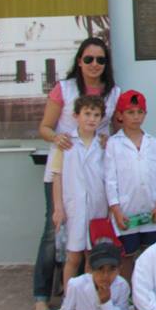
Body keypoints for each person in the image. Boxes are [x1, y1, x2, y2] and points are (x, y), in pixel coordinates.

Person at [34, 37, 120, 310]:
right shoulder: (65, 89)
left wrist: (107, 138)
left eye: (100, 60)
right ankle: (42, 296)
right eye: (89, 59)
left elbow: (115, 131)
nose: (94, 65)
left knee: (90, 246)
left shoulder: (113, 92)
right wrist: (57, 137)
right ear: (79, 61)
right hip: (65, 170)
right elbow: (45, 127)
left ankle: (87, 301)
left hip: (94, 175)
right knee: (53, 234)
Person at [105, 90, 156, 281]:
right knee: (127, 256)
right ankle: (129, 293)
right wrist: (116, 210)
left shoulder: (153, 142)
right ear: (120, 115)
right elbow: (110, 179)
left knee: (153, 254)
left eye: (140, 112)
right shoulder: (114, 144)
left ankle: (151, 289)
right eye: (130, 112)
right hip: (126, 212)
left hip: (151, 210)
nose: (135, 117)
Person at [50, 95, 107, 293]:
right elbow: (56, 175)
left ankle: (90, 302)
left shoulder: (103, 145)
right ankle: (69, 302)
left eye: (96, 115)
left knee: (92, 257)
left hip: (98, 208)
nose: (91, 119)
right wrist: (58, 208)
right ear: (76, 115)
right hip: (74, 207)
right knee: (73, 257)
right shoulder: (65, 143)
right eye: (87, 114)